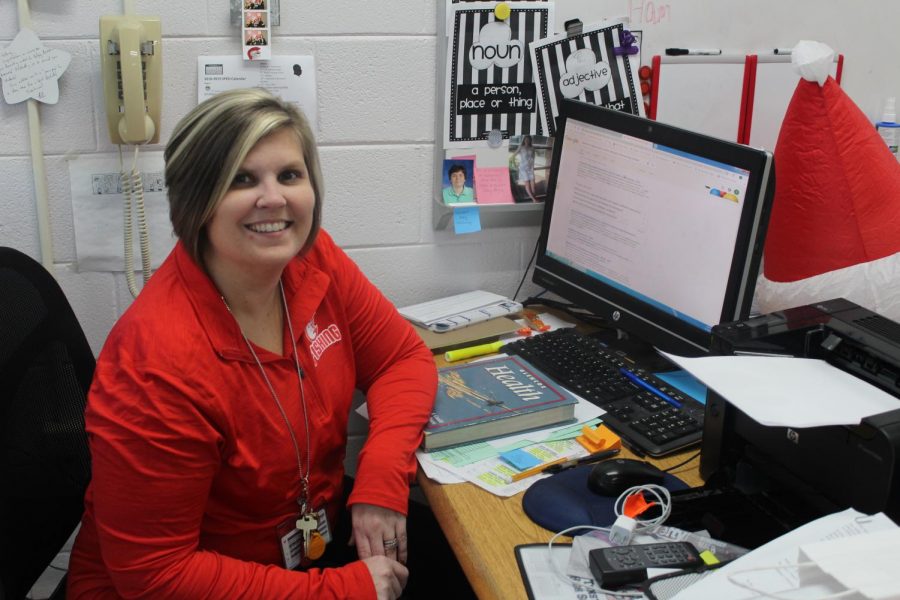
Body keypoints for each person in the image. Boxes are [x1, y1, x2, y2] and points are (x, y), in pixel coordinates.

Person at [67, 88, 469, 599]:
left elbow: (400, 359)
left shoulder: (310, 260)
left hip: (305, 539)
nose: (274, 199)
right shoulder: (156, 363)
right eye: (242, 179)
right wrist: (343, 591)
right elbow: (155, 576)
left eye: (289, 175)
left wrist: (380, 481)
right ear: (197, 200)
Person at [514, 135, 538, 202]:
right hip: (523, 168)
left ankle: (534, 197)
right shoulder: (521, 147)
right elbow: (513, 156)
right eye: (526, 139)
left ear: (530, 140)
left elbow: (533, 159)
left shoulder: (532, 148)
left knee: (533, 185)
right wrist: (516, 165)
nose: (527, 141)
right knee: (527, 183)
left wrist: (532, 169)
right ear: (524, 140)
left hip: (530, 169)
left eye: (528, 139)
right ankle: (534, 199)